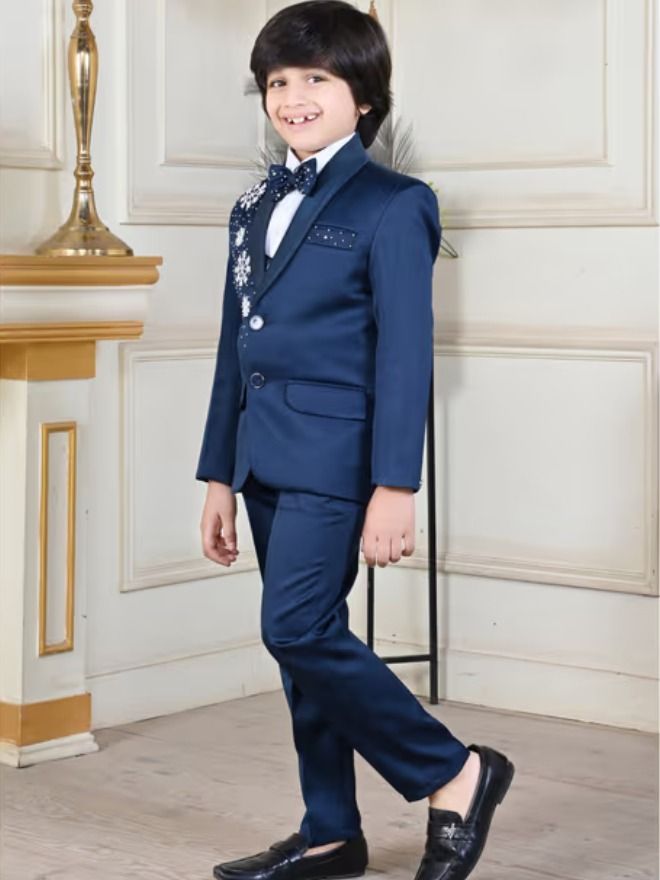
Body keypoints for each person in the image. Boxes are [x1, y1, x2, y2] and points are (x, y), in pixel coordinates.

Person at [196, 3, 514, 879]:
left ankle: (455, 772)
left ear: (364, 97)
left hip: (339, 462)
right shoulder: (253, 203)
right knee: (306, 651)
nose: (293, 97)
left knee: (295, 628)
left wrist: (395, 485)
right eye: (278, 82)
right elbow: (235, 346)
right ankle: (331, 831)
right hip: (262, 457)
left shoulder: (396, 204)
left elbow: (407, 355)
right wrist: (218, 471)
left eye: (316, 79)